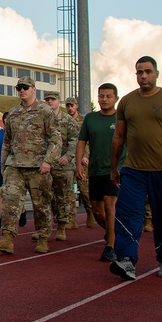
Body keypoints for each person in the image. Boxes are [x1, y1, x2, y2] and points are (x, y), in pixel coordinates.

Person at [109, 56, 162, 281]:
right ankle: (126, 259)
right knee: (127, 214)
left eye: (148, 72)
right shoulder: (126, 102)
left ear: (156, 73)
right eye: (139, 72)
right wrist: (114, 167)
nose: (143, 76)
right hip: (133, 170)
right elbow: (119, 136)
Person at [0, 76, 62, 255]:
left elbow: (55, 139)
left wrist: (48, 161)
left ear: (34, 89)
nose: (22, 90)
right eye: (19, 87)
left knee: (41, 204)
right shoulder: (12, 113)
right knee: (10, 201)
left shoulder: (45, 111)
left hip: (38, 167)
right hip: (15, 166)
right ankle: (7, 238)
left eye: (25, 87)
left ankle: (43, 238)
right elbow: (7, 142)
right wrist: (3, 165)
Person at [75, 83, 125, 262]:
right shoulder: (90, 118)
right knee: (97, 211)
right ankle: (114, 232)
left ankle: (110, 246)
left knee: (110, 204)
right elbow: (81, 141)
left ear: (116, 98)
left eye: (108, 96)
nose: (104, 99)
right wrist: (78, 164)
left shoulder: (122, 117)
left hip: (115, 170)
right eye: (101, 96)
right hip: (95, 170)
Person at [43, 90, 79, 241]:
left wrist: (68, 156)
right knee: (46, 197)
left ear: (59, 101)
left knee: (62, 197)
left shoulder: (67, 119)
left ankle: (62, 227)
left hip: (64, 165)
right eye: (47, 99)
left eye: (53, 99)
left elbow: (74, 140)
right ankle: (46, 227)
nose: (50, 102)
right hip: (47, 165)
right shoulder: (42, 118)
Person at [0, 113, 27, 229]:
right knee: (1, 192)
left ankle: (22, 211)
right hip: (0, 167)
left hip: (15, 166)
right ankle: (1, 218)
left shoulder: (18, 134)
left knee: (16, 193)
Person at [66, 97, 95, 229]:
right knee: (69, 192)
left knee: (85, 190)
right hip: (68, 159)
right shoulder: (64, 120)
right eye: (67, 106)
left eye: (71, 105)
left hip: (82, 160)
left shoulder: (84, 121)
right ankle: (71, 219)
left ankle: (90, 212)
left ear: (77, 105)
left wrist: (86, 155)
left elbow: (88, 140)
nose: (69, 108)